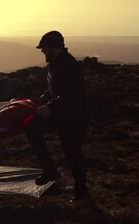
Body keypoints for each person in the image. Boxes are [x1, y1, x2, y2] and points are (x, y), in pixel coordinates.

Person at [25, 30, 90, 201]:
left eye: (44, 48)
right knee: (32, 127)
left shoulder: (68, 66)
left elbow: (70, 93)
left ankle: (81, 194)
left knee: (72, 154)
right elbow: (56, 88)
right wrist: (44, 98)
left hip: (74, 116)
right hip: (61, 112)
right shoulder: (56, 64)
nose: (42, 51)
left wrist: (50, 107)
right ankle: (49, 170)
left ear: (53, 47)